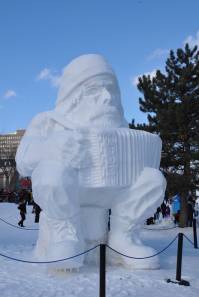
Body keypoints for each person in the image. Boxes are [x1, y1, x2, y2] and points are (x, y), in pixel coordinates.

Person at [16, 54, 166, 270]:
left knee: (153, 179)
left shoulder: (121, 126)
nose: (107, 97)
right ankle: (65, 237)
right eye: (96, 89)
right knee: (50, 174)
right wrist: (51, 147)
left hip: (115, 194)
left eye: (111, 89)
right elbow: (23, 160)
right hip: (71, 191)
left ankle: (124, 237)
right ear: (74, 94)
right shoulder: (48, 121)